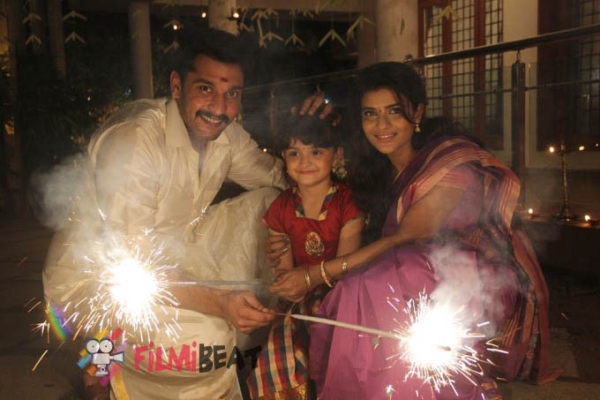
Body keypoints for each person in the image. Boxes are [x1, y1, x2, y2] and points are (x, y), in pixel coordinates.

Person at [42, 28, 331, 400]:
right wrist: (219, 303)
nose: (220, 108)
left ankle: (281, 327)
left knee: (270, 202)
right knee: (178, 332)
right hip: (102, 276)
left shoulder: (225, 135)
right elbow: (134, 262)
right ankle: (99, 370)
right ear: (177, 86)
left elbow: (285, 178)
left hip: (173, 251)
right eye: (206, 89)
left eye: (232, 94)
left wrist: (311, 139)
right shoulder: (135, 141)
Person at [269, 61, 561, 399]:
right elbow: (314, 181)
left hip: (476, 279)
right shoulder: (375, 171)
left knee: (381, 276)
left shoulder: (450, 162)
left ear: (418, 112)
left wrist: (313, 275)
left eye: (394, 111)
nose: (382, 125)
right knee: (363, 282)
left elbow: (406, 236)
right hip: (409, 270)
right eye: (370, 114)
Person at [246, 114, 364, 399]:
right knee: (283, 338)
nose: (305, 161)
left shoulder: (347, 204)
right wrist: (287, 286)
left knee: (327, 334)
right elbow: (284, 270)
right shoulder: (281, 208)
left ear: (336, 156)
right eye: (294, 153)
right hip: (299, 298)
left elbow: (344, 267)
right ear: (283, 158)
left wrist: (312, 287)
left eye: (316, 152)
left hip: (340, 294)